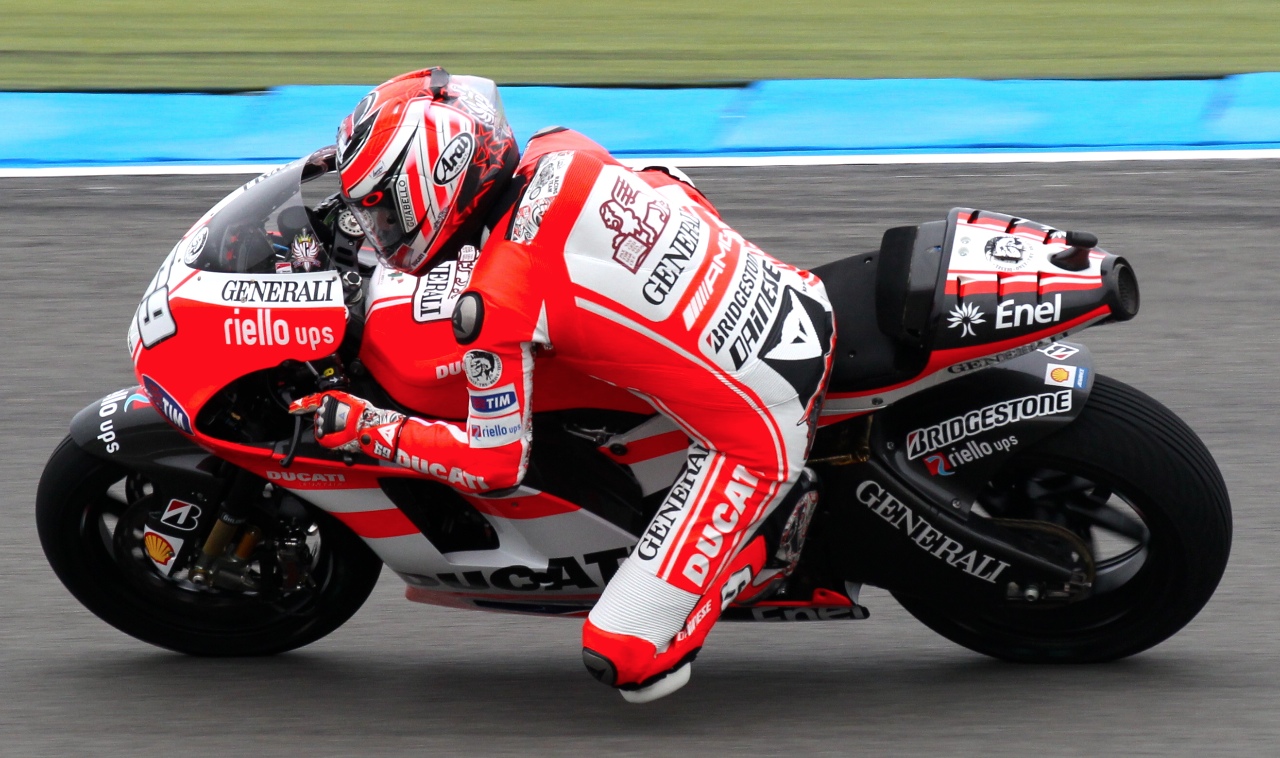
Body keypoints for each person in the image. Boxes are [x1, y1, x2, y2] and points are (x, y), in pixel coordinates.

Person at [290, 67, 836, 702]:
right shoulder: (559, 147)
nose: (379, 230)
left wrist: (367, 426)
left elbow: (494, 464)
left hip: (758, 429)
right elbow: (670, 183)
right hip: (796, 295)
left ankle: (764, 544)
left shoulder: (495, 302)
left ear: (433, 184)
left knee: (624, 658)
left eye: (384, 210)